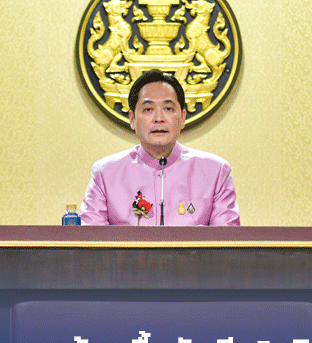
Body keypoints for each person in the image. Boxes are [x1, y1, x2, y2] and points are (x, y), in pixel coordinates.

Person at [80, 69, 240, 226]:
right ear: (132, 119)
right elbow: (91, 239)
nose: (159, 118)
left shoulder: (216, 172)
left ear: (183, 118)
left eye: (168, 109)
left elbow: (227, 240)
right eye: (148, 109)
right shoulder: (105, 174)